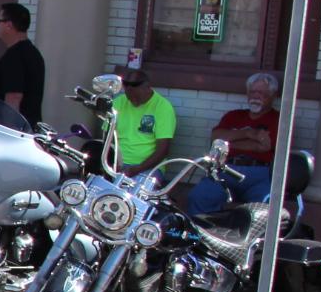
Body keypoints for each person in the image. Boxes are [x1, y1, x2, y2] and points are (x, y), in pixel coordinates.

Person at [188, 71, 284, 214]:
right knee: (200, 196)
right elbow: (216, 139)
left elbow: (265, 147)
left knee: (264, 207)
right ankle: (201, 229)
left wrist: (230, 141)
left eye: (261, 93)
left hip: (259, 173)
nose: (255, 96)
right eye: (252, 92)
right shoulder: (233, 116)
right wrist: (248, 133)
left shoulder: (278, 119)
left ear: (273, 95)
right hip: (226, 169)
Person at [0, 2, 45, 127]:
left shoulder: (14, 57)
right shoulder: (33, 53)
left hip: (15, 130)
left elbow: (13, 98)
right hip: (28, 127)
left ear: (9, 25)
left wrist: (8, 132)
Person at [110, 70, 177, 176]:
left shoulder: (163, 107)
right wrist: (112, 161)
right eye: (130, 98)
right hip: (117, 163)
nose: (134, 101)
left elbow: (163, 150)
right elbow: (107, 138)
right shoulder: (118, 103)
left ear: (147, 87)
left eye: (137, 97)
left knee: (134, 187)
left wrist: (137, 169)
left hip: (148, 167)